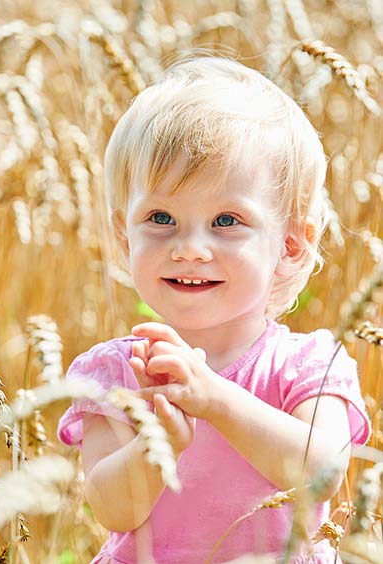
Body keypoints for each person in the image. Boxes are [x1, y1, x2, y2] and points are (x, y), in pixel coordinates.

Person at [57, 55, 371, 564]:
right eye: (161, 217)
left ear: (290, 244)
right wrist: (157, 448)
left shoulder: (307, 365)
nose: (190, 248)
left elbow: (322, 473)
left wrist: (214, 399)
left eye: (226, 220)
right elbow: (112, 511)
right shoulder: (116, 371)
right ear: (123, 232)